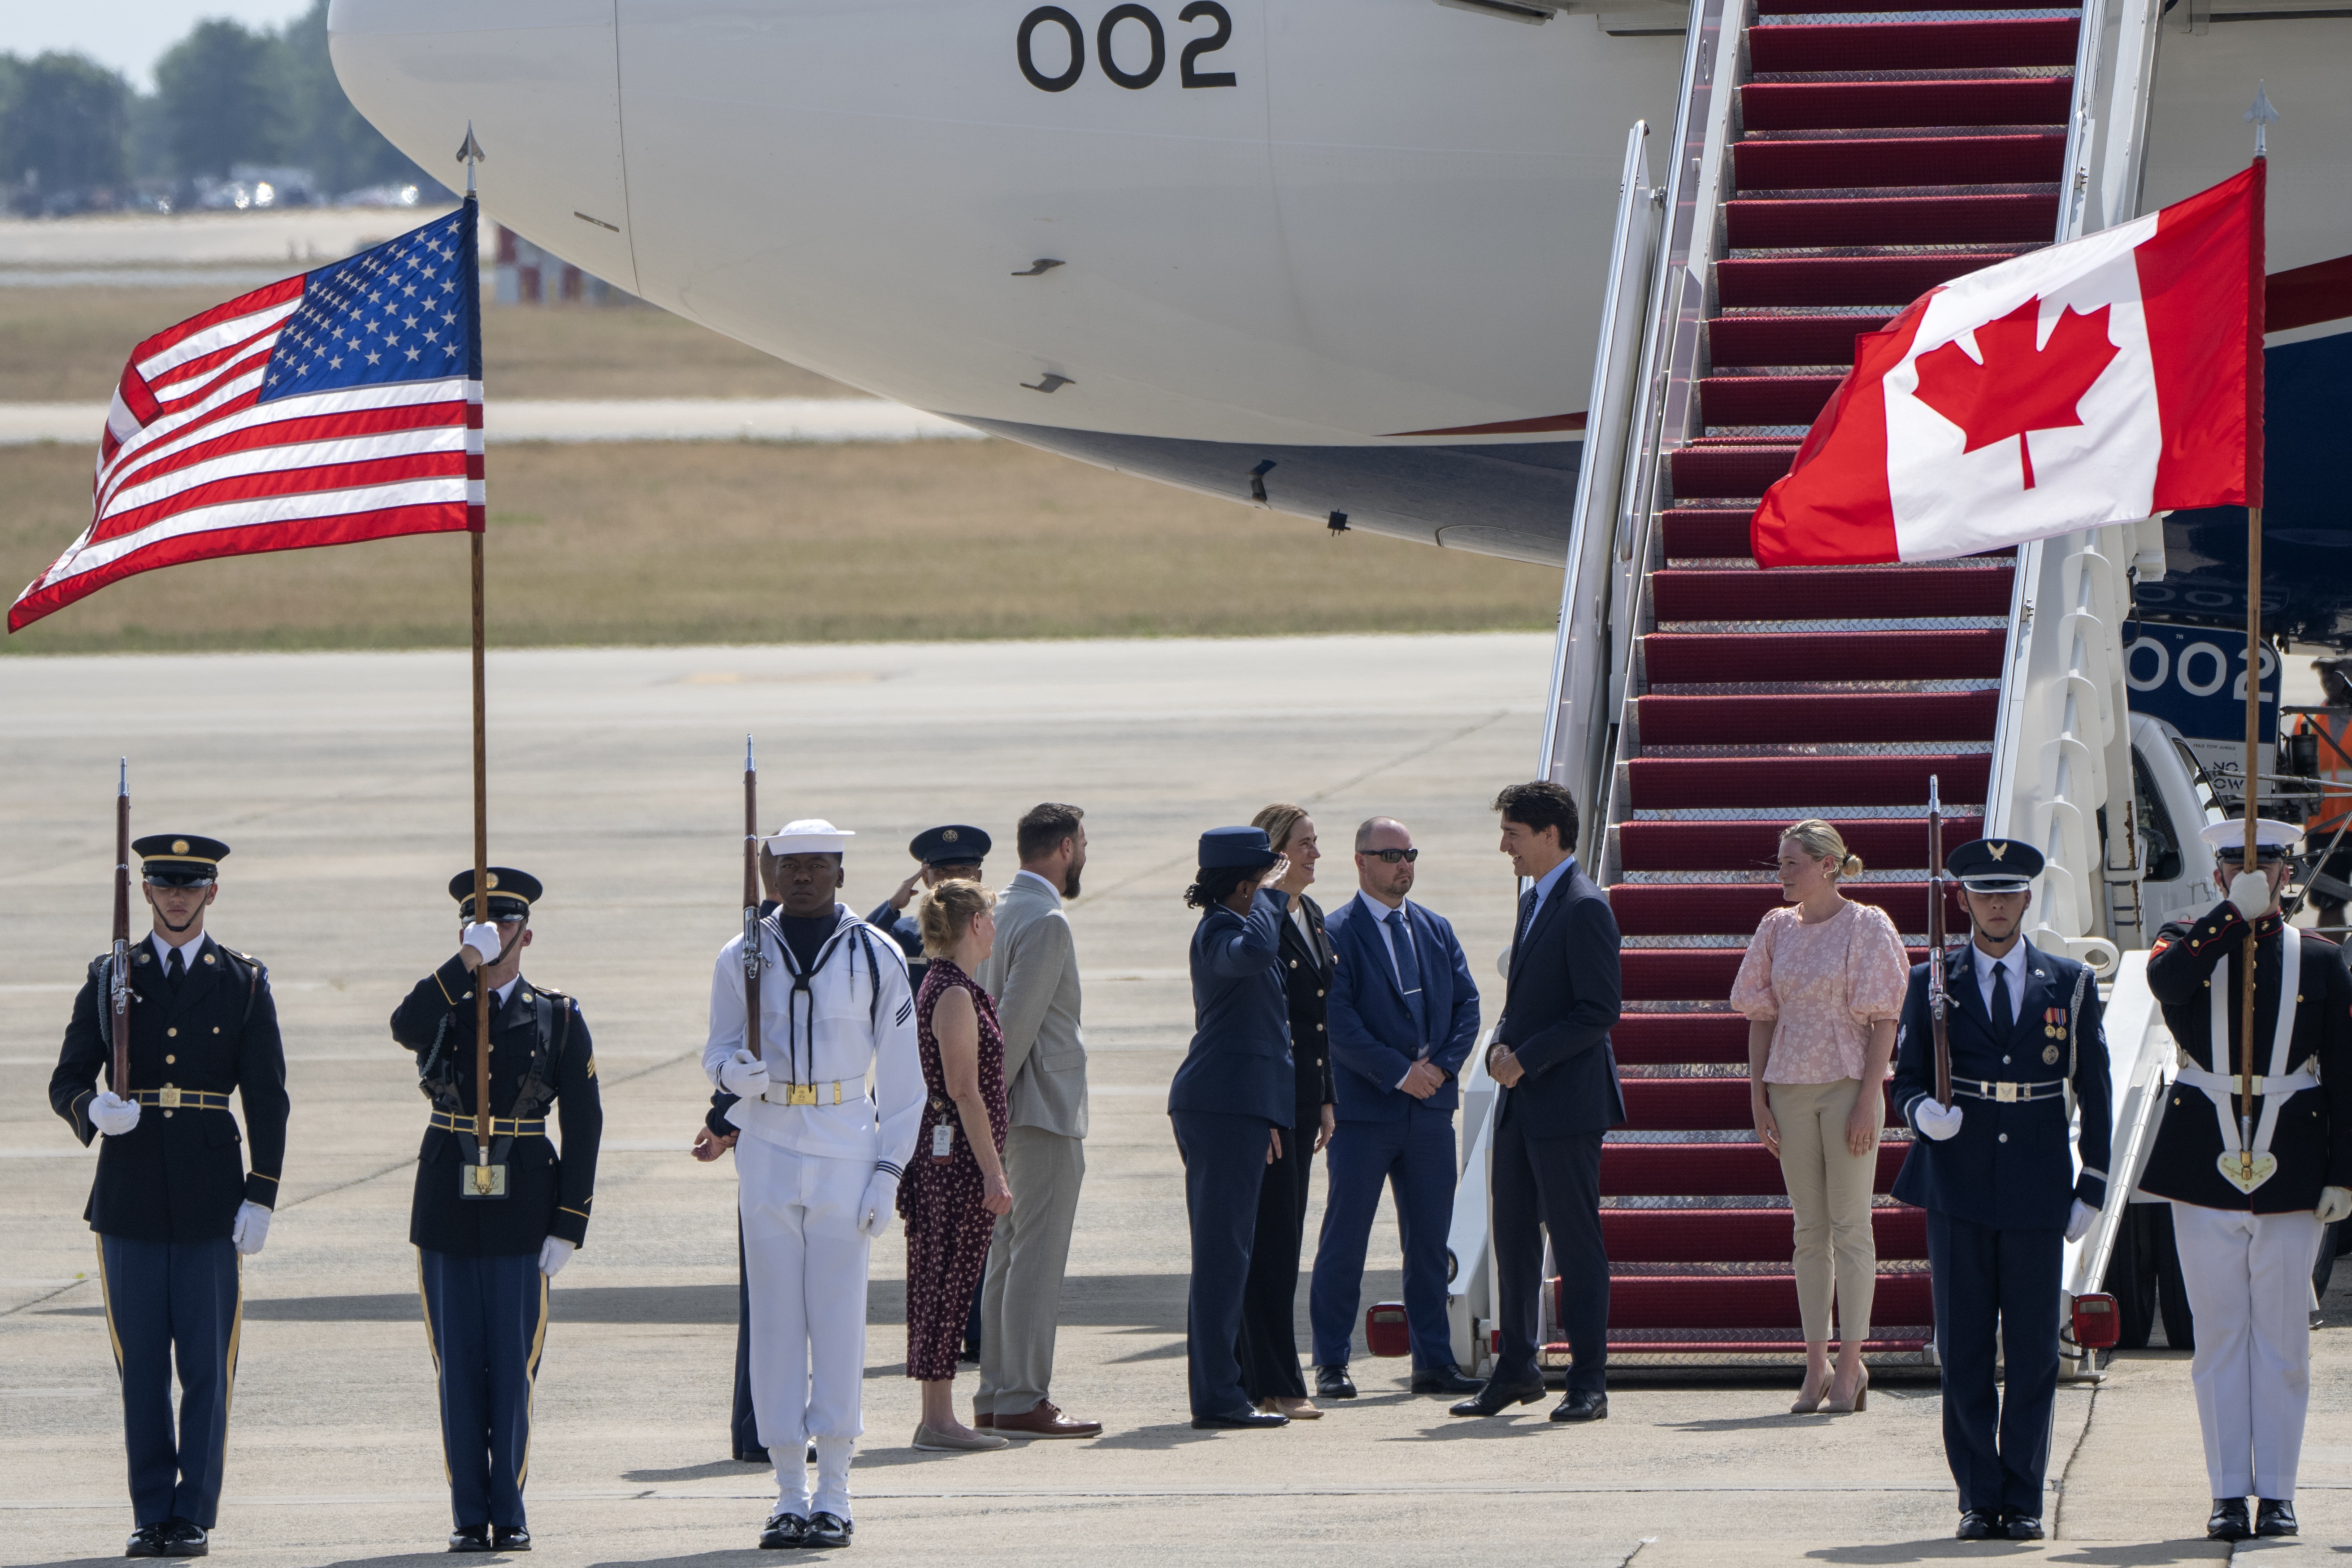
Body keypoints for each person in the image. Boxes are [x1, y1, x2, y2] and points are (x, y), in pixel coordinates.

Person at [48, 833, 288, 1561]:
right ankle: (152, 1510)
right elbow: (66, 1078)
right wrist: (91, 1109)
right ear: (145, 892)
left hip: (214, 1193)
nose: (177, 898)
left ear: (213, 892)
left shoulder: (243, 981)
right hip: (129, 1195)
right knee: (143, 1367)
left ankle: (194, 1514)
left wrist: (263, 1195)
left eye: (191, 886)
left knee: (208, 1368)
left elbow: (269, 1099)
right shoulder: (110, 975)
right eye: (165, 885)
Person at [704, 819, 922, 1551]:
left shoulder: (876, 954)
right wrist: (735, 1074)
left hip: (843, 1142)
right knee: (773, 1323)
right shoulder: (743, 953)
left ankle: (835, 1489)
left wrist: (889, 1172)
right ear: (769, 873)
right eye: (787, 865)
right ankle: (786, 1493)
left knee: (836, 1320)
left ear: (838, 870)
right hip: (767, 1141)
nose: (800, 876)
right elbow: (718, 1048)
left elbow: (902, 1083)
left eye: (815, 864)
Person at [1890, 837, 2110, 1542]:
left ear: (2025, 899)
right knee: (1961, 1349)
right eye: (1981, 892)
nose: (1994, 903)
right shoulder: (1931, 980)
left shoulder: (2069, 983)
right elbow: (1909, 1077)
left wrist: (2094, 1183)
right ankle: (1976, 1496)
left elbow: (2095, 1089)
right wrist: (1922, 1113)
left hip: (2036, 1184)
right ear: (1961, 899)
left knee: (2034, 1350)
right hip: (1957, 1183)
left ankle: (2023, 1497)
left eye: (2007, 891)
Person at [2140, 817, 2352, 1542]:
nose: (2255, 878)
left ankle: (2280, 1492)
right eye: (2237, 868)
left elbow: (2347, 1077)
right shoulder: (2184, 937)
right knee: (2220, 1333)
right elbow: (2166, 981)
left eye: (2267, 870)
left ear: (2290, 875)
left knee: (2285, 1337)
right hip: (2204, 1157)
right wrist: (2232, 917)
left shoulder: (2321, 960)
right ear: (2220, 873)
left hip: (2293, 1160)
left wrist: (2346, 1173)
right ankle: (2228, 1490)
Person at [390, 867, 603, 1554]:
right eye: (479, 926)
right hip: (450, 1200)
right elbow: (403, 1026)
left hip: (524, 1206)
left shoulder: (557, 1015)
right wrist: (464, 964)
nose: (493, 935)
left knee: (513, 1365)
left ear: (527, 934)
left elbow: (587, 1121)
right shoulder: (448, 1000)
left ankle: (508, 1509)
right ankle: (465, 1513)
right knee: (457, 1364)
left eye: (505, 926)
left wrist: (571, 1221)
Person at [1454, 782, 1623, 1424]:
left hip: (1565, 1102)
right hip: (1522, 1101)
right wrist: (1502, 1042)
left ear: (1549, 834)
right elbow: (1524, 1001)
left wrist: (1525, 1057)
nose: (1504, 847)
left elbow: (1598, 1010)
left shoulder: (1584, 907)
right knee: (1514, 1238)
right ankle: (1517, 1368)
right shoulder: (1534, 902)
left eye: (1513, 834)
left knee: (1577, 1245)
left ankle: (1587, 1380)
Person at [1731, 820, 1909, 1415]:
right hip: (1788, 1086)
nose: (1780, 874)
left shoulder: (1866, 924)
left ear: (1827, 865)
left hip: (1846, 1086)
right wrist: (1756, 1097)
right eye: (1779, 864)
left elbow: (1884, 1018)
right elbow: (1759, 1013)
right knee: (1807, 1231)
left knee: (1850, 1226)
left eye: (1790, 864)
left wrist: (1867, 1097)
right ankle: (1815, 1365)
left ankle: (1852, 1362)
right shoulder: (1774, 927)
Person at [1309, 816, 1483, 1400]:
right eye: (1389, 855)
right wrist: (1397, 1072)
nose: (1401, 864)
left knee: (1431, 1242)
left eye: (1409, 853)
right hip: (1365, 1115)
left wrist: (1441, 1069)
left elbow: (1468, 1004)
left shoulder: (1434, 928)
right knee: (1345, 1239)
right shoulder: (1334, 931)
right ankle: (1331, 1360)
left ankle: (1432, 1358)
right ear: (1360, 860)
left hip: (1430, 1113)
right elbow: (1337, 1021)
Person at [972, 804, 1102, 1438]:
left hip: (1004, 1114)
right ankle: (1024, 1396)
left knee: (1007, 1254)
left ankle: (997, 1391)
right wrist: (992, 1112)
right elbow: (1014, 1028)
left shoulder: (997, 910)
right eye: (1083, 844)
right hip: (1040, 1111)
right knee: (1036, 1258)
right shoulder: (1046, 919)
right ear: (1067, 847)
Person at [1170, 825, 1298, 1430]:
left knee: (1230, 1252)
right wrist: (1272, 899)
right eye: (1265, 879)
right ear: (1246, 886)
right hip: (1218, 1107)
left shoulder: (1236, 924)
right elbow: (1252, 956)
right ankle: (1218, 1395)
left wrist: (1269, 1108)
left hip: (1237, 1106)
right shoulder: (1224, 931)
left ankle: (1223, 1388)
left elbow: (1265, 1038)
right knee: (1223, 1255)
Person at [900, 881, 1016, 1451]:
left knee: (946, 1279)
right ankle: (939, 1419)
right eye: (990, 917)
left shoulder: (956, 986)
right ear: (975, 924)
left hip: (956, 1160)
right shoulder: (951, 993)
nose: (994, 926)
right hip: (957, 1166)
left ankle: (937, 1416)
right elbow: (964, 1089)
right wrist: (994, 1171)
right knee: (946, 1281)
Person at [1236, 804, 1335, 1418]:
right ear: (1274, 853)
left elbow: (1317, 1018)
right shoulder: (1260, 918)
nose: (1314, 854)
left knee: (1285, 1237)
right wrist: (1271, 1107)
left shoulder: (1310, 915)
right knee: (1269, 1242)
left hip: (1303, 1099)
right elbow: (1262, 1022)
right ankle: (1272, 1380)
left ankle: (1262, 1376)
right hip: (1271, 1102)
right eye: (1303, 845)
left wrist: (1325, 1095)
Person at [867, 825, 994, 982]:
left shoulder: (990, 934)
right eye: (942, 871)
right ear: (926, 879)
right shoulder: (906, 934)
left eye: (963, 870)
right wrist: (892, 905)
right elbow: (858, 947)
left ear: (978, 878)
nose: (953, 879)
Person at [2291, 658, 2352, 934]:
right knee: (2329, 902)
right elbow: (2289, 769)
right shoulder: (2307, 719)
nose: (2328, 680)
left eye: (2335, 673)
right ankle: (2334, 968)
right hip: (2324, 826)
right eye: (2324, 674)